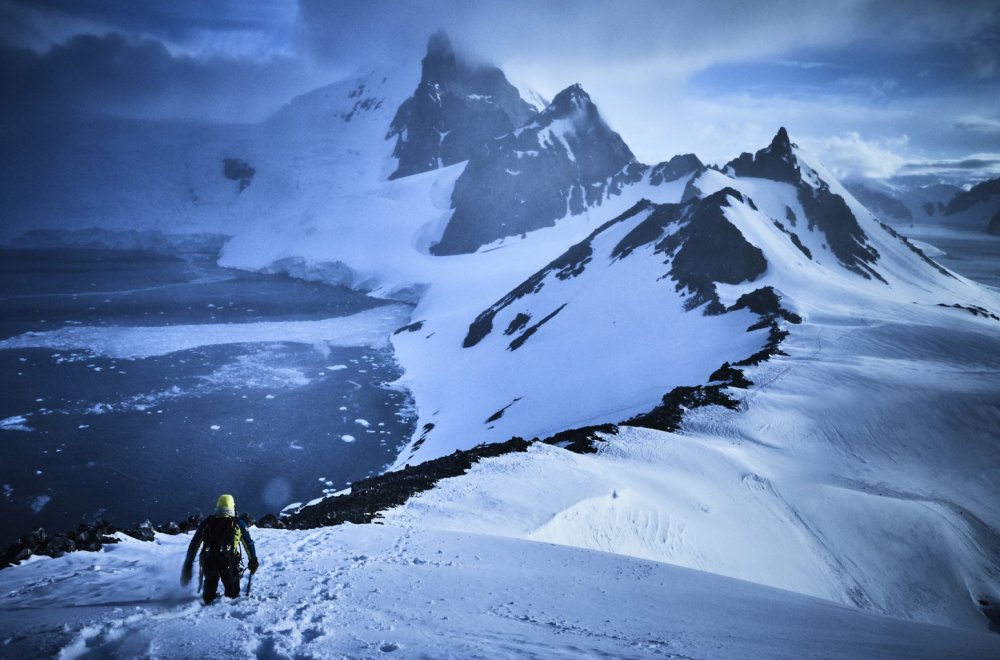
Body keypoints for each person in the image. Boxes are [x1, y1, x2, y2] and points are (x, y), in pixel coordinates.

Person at [181, 494, 259, 604]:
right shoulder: (238, 523)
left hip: (209, 562)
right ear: (232, 506)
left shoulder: (207, 523)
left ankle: (207, 602)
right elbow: (249, 544)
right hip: (229, 564)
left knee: (209, 593)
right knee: (233, 595)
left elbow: (194, 544)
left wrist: (188, 564)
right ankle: (227, 611)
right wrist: (253, 561)